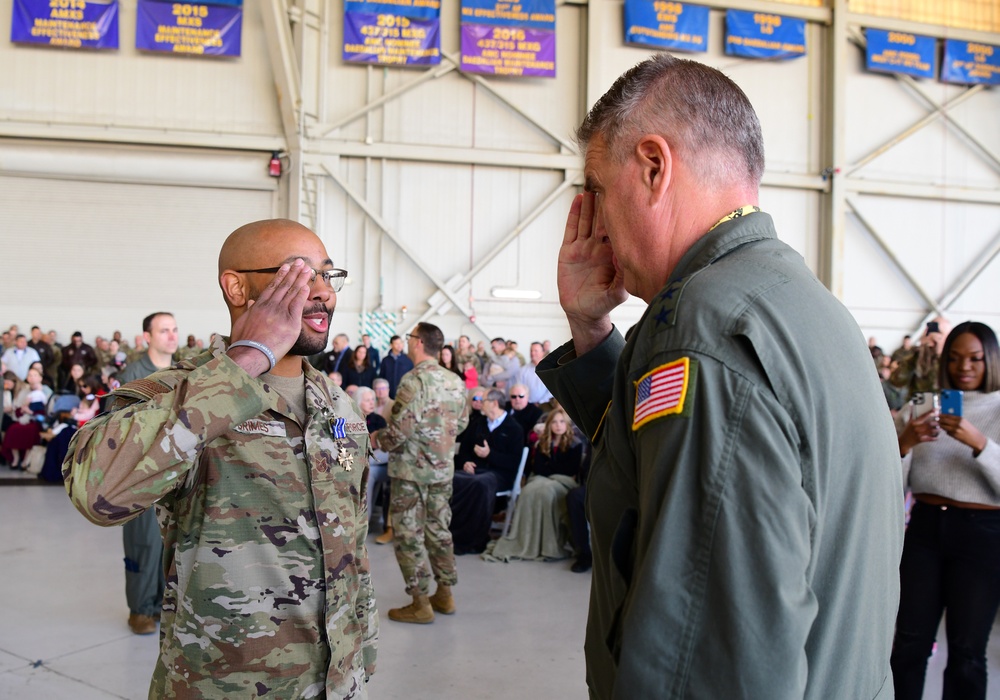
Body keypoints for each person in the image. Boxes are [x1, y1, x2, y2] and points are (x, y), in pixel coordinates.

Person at [535, 54, 903, 698]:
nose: (592, 215)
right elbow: (657, 463)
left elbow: (705, 658)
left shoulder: (703, 329)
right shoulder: (793, 300)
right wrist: (592, 332)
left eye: (595, 186)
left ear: (653, 167)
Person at [63, 218, 377, 698]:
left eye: (328, 276)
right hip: (224, 685)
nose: (322, 292)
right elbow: (98, 491)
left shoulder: (340, 408)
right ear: (236, 287)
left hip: (337, 682)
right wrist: (248, 358)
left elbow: (353, 548)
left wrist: (362, 657)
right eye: (299, 273)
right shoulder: (175, 394)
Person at [891, 321, 1000, 699]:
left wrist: (981, 444)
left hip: (983, 534)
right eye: (954, 358)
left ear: (991, 359)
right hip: (924, 530)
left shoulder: (999, 409)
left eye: (975, 358)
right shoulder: (923, 405)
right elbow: (890, 483)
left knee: (968, 652)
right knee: (908, 644)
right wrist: (903, 443)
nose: (963, 367)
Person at [371, 323, 468, 624]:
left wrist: (377, 440)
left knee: (408, 535)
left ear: (418, 343)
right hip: (442, 470)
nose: (408, 341)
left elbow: (401, 428)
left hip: (412, 472)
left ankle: (420, 602)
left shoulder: (413, 380)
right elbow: (461, 423)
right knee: (440, 530)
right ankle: (445, 594)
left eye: (411, 337)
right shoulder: (455, 381)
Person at [113, 311, 179, 636]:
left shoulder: (184, 373)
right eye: (164, 330)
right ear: (147, 337)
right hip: (141, 473)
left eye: (174, 329)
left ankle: (163, 607)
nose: (171, 335)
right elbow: (116, 427)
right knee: (143, 543)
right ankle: (140, 610)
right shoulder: (134, 374)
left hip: (177, 472)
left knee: (171, 544)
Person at [485, 408, 584, 562]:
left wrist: (550, 467)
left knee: (546, 493)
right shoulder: (541, 443)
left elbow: (569, 470)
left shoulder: (575, 445)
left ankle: (548, 544)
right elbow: (538, 468)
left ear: (567, 424)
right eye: (555, 422)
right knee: (527, 492)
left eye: (562, 422)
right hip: (539, 479)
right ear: (549, 424)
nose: (558, 425)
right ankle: (527, 540)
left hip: (563, 482)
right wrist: (552, 468)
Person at [449, 388, 524, 554]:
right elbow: (464, 450)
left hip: (499, 475)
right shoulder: (478, 423)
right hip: (475, 471)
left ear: (494, 403)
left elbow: (513, 462)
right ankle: (453, 535)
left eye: (483, 401)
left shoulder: (514, 428)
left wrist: (490, 455)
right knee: (453, 478)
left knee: (480, 484)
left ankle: (475, 540)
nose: (480, 404)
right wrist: (466, 462)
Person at [515, 341, 554, 407]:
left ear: (543, 352)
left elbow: (552, 389)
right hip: (527, 405)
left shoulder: (549, 369)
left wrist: (540, 402)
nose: (532, 353)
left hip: (546, 405)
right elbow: (520, 387)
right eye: (531, 351)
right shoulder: (523, 370)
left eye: (536, 351)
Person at [378, 335, 414, 399]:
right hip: (388, 394)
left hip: (404, 394)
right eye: (397, 343)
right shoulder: (385, 360)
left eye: (401, 343)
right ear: (391, 345)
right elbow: (382, 377)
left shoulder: (408, 359)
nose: (399, 345)